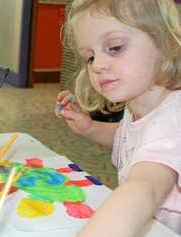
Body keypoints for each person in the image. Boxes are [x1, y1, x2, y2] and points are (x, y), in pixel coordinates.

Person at [56, 0, 181, 236]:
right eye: (90, 57)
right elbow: (134, 140)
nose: (98, 65)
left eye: (115, 47)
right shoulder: (139, 100)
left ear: (165, 42)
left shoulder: (174, 118)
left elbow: (145, 188)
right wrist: (91, 128)